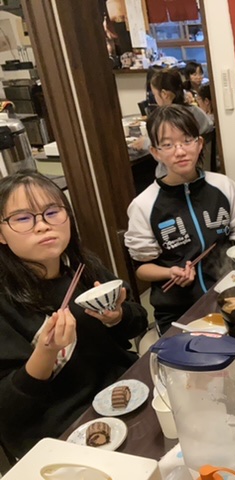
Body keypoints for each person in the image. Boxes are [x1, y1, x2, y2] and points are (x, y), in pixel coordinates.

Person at [0, 171, 148, 459]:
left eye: (52, 212)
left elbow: (139, 320)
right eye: (23, 218)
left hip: (123, 395)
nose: (42, 226)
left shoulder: (82, 266)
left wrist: (117, 317)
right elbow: (7, 412)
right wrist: (46, 353)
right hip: (59, 431)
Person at [125, 104, 235, 334]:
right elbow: (141, 268)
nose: (180, 151)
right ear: (155, 152)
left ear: (199, 143)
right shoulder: (144, 205)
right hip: (179, 313)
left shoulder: (223, 187)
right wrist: (169, 273)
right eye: (168, 144)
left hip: (230, 301)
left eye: (186, 140)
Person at [150, 68, 214, 174]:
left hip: (171, 174)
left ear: (164, 94)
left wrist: (145, 143)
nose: (155, 99)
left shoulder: (164, 120)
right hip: (198, 169)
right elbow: (210, 125)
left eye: (155, 95)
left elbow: (161, 152)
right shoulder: (195, 110)